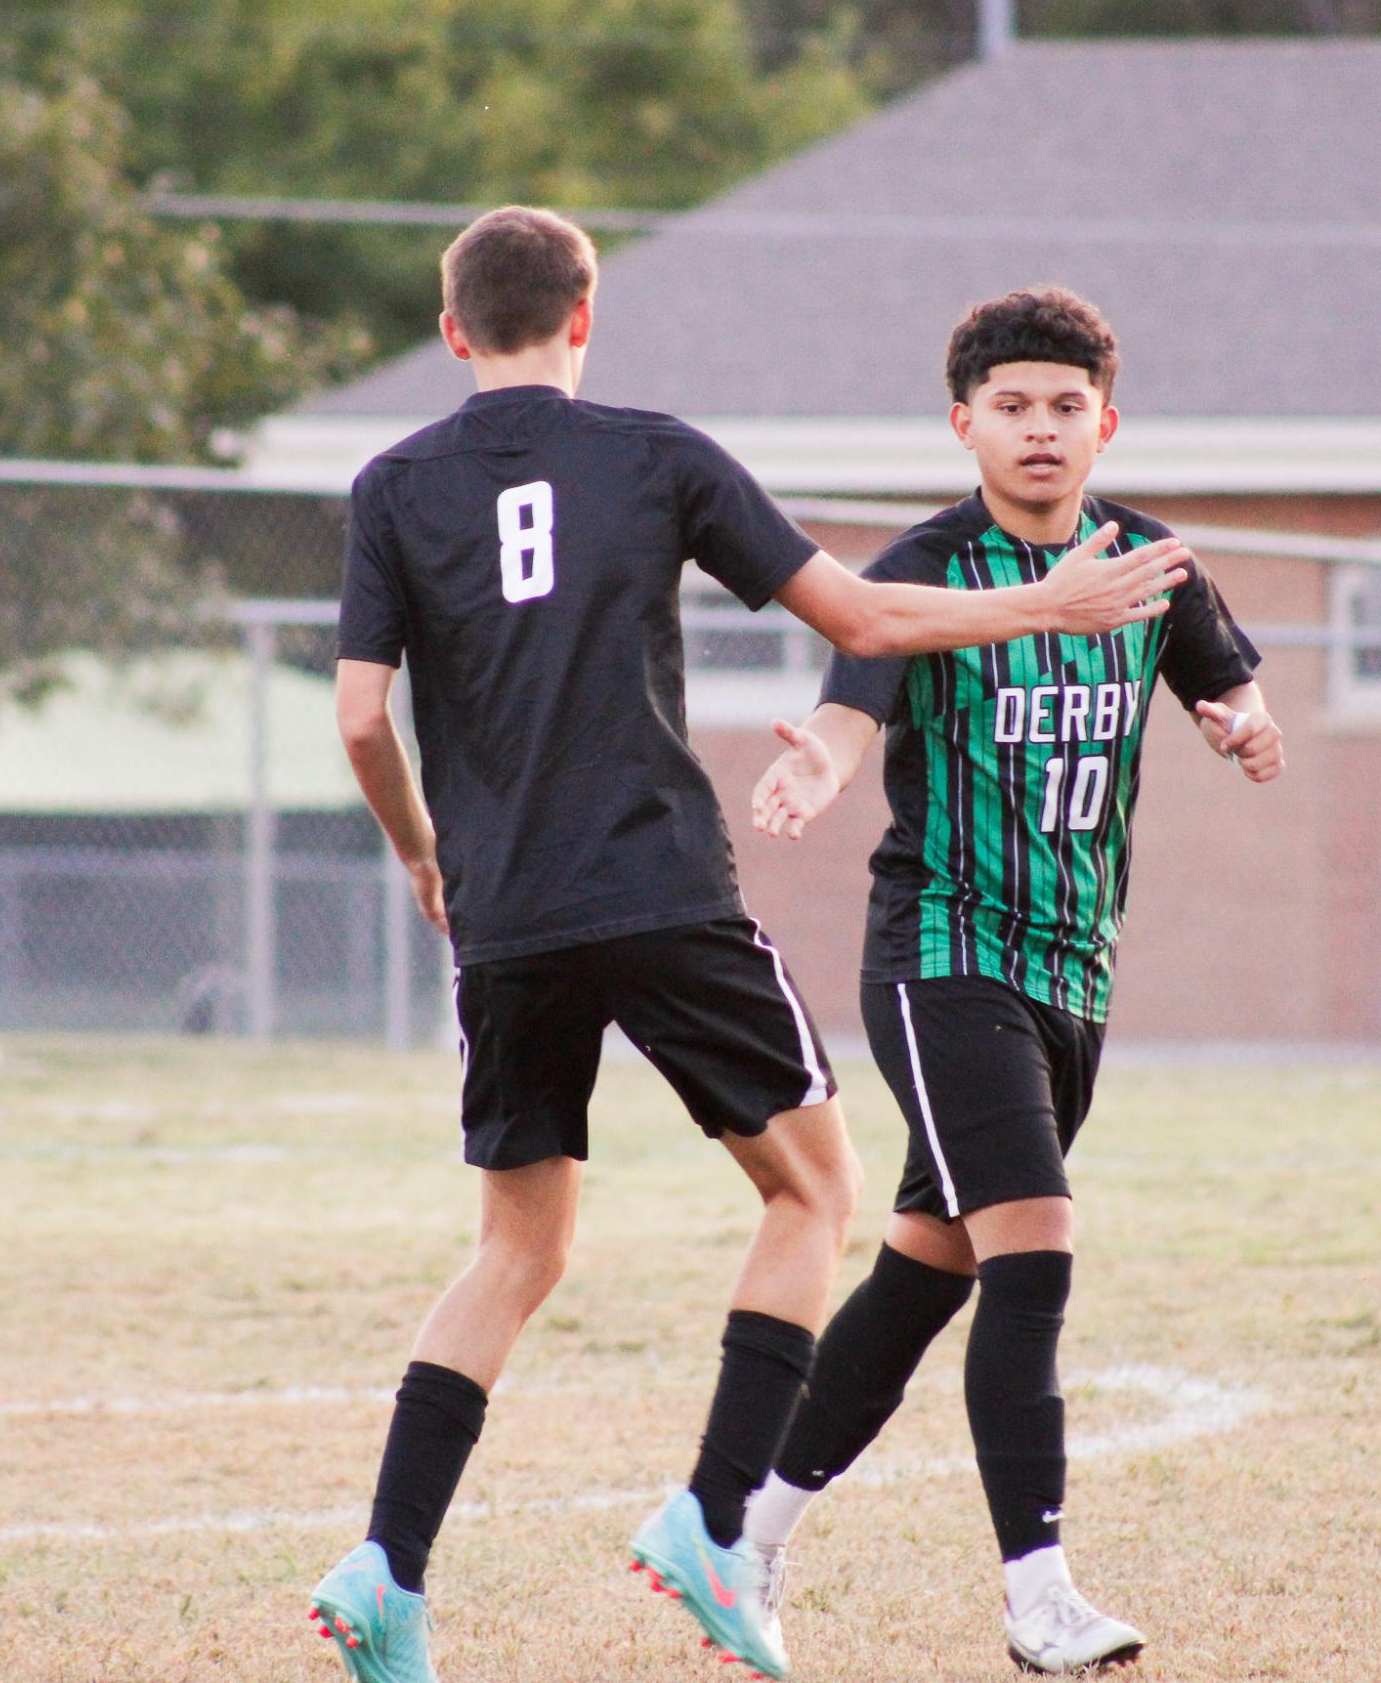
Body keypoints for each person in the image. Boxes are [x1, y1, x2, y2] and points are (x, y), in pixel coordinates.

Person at [306, 213, 1190, 1683]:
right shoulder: (653, 453)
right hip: (658, 893)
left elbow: (354, 716)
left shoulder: (392, 485)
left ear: (453, 332)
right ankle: (719, 1521)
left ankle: (388, 1569)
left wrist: (418, 845)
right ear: (584, 318)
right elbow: (856, 615)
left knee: (513, 1248)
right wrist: (1042, 601)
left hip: (505, 919)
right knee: (815, 1188)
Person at [741, 285, 1280, 1676]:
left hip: (1073, 973)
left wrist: (1244, 722)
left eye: (1063, 406)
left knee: (927, 1275)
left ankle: (739, 1532)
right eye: (1010, 406)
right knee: (1033, 1248)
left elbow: (1226, 680)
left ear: (1106, 422)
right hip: (942, 958)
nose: (1038, 429)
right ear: (960, 424)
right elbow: (852, 702)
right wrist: (818, 762)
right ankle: (1038, 1596)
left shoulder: (1152, 559)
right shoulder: (918, 568)